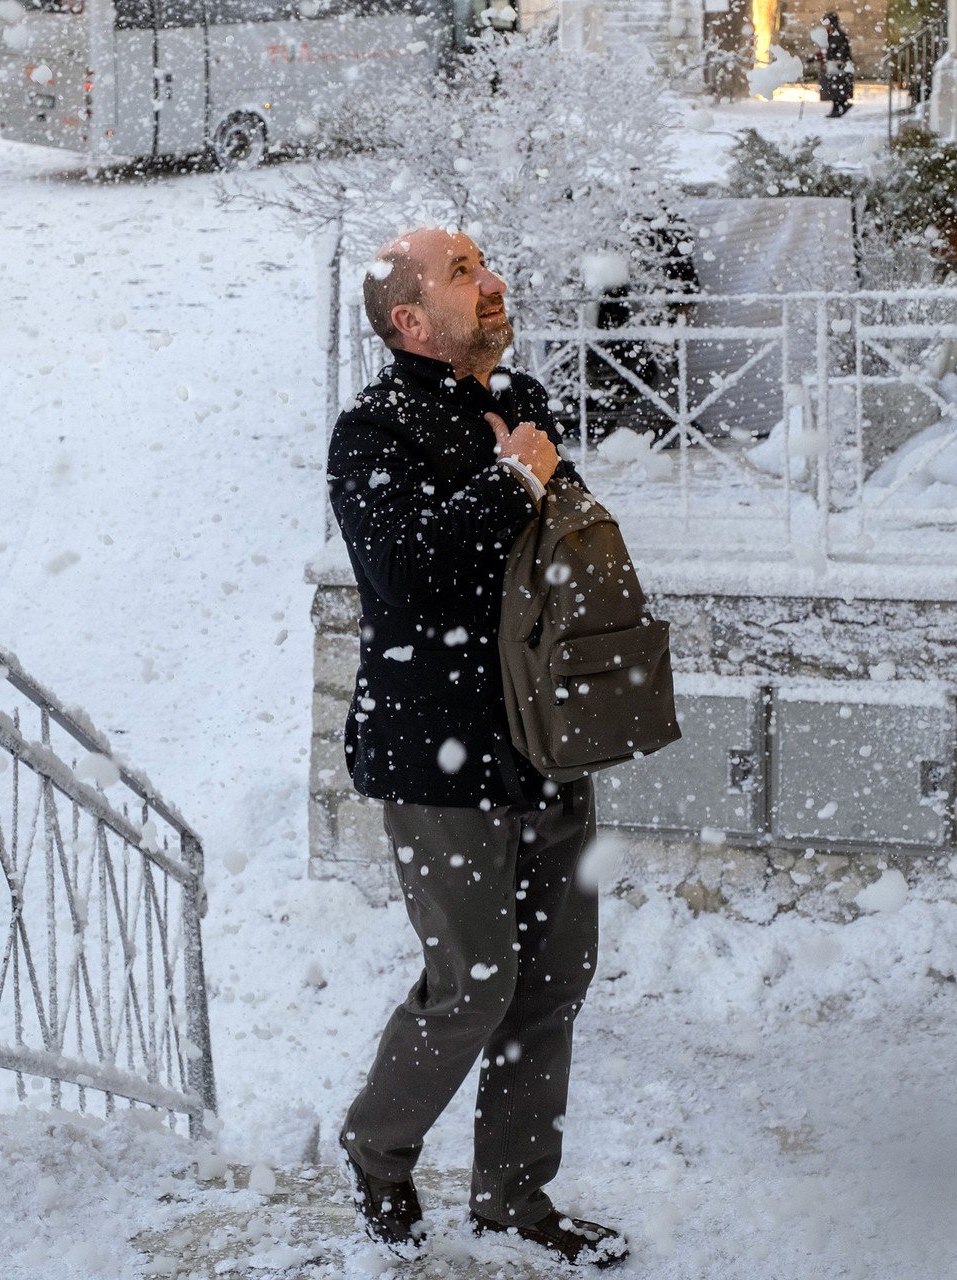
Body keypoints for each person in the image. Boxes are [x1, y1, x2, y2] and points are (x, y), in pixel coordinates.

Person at [326, 227, 629, 1270]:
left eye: (485, 263)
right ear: (411, 322)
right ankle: (379, 1142)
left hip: (544, 736)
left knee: (554, 978)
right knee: (476, 983)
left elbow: (560, 546)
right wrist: (510, 481)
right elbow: (408, 579)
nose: (492, 279)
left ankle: (512, 1195)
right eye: (463, 273)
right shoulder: (371, 433)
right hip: (439, 757)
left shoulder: (524, 398)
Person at [818, 11, 855, 118]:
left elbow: (843, 50)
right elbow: (826, 50)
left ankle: (839, 107)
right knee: (834, 87)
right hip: (832, 64)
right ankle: (839, 106)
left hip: (838, 65)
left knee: (837, 87)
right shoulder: (829, 36)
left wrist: (841, 61)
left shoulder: (839, 36)